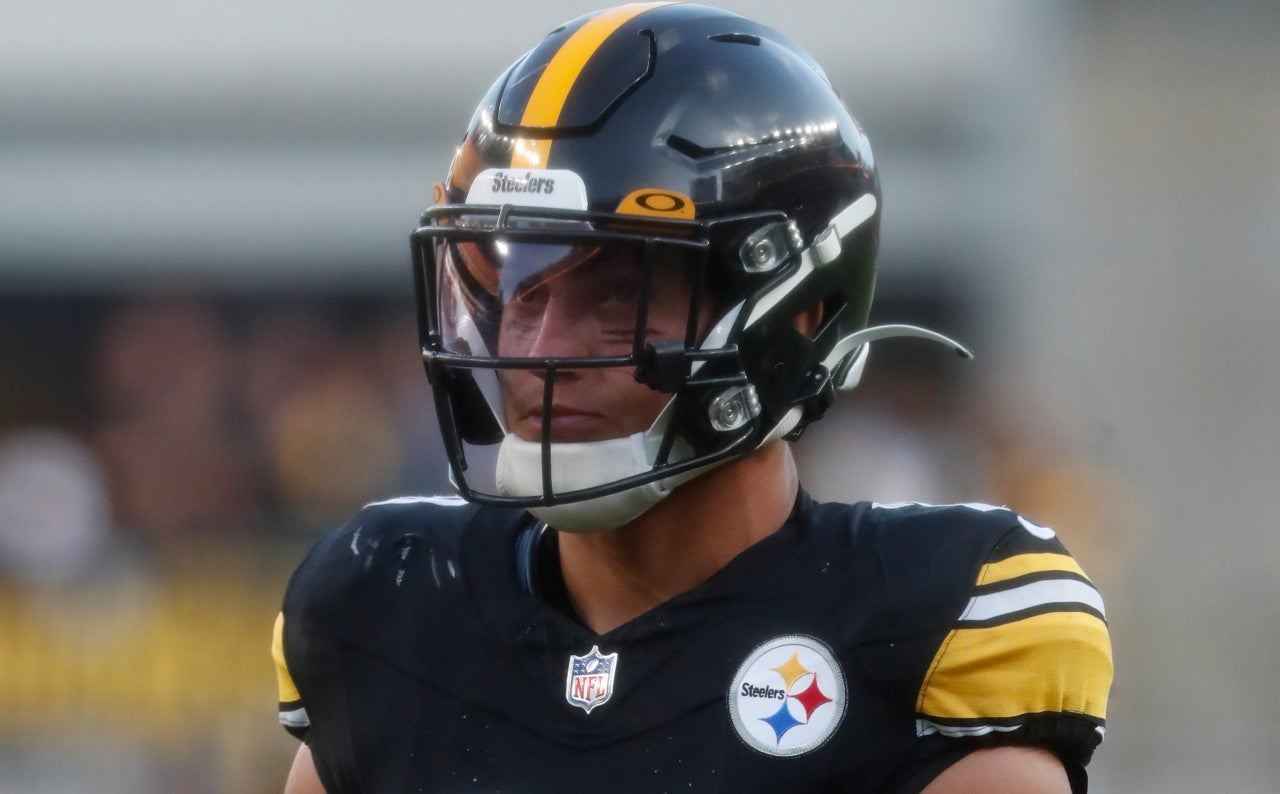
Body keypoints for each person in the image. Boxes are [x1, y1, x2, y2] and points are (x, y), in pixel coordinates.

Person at [272, 4, 1113, 791]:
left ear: (795, 312)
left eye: (615, 293)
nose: (536, 349)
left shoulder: (930, 623)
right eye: (519, 292)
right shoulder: (390, 602)